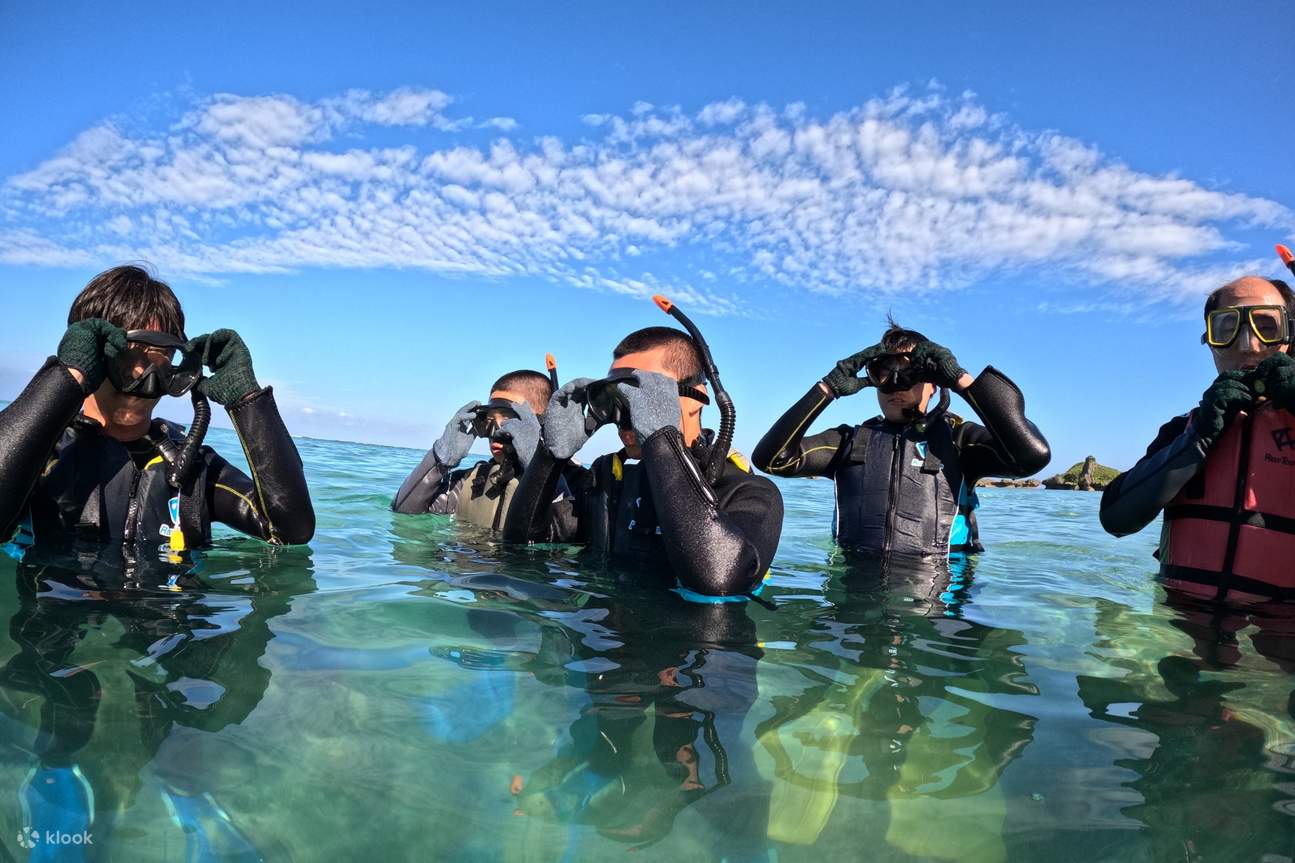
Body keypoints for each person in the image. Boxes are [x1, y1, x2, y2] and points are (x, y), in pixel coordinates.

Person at [0, 265, 314, 565]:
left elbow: (291, 529)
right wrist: (69, 376)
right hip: (62, 615)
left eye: (161, 357)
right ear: (90, 351)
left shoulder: (189, 465)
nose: (144, 375)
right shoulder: (41, 450)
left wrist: (248, 398)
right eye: (128, 355)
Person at [503, 298, 783, 600]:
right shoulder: (609, 481)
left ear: (695, 397)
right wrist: (549, 456)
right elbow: (524, 544)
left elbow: (719, 579)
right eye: (617, 397)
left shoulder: (752, 493)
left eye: (641, 395)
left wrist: (660, 438)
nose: (625, 415)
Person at [752, 320, 1050, 556]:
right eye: (885, 371)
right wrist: (827, 388)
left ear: (934, 382)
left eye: (910, 372)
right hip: (855, 603)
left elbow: (1031, 456)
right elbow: (772, 460)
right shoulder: (849, 442)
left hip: (941, 612)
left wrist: (961, 380)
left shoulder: (960, 441)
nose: (896, 384)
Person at [1101, 274, 1295, 604]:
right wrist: (1199, 439)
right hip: (1184, 631)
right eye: (1226, 329)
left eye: (1267, 326)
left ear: (1289, 336)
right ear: (1209, 341)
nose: (1248, 344)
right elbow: (1116, 520)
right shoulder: (1184, 431)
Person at [391, 370, 551, 531]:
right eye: (488, 421)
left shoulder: (570, 485)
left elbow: (564, 532)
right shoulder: (472, 481)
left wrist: (540, 466)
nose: (495, 433)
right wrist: (438, 462)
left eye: (507, 420)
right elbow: (406, 515)